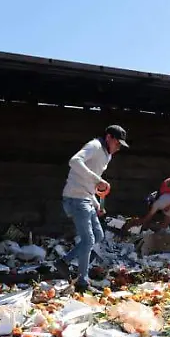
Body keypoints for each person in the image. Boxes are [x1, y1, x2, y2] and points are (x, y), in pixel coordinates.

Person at [56, 125, 127, 292]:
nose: (118, 147)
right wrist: (98, 180)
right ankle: (82, 282)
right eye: (117, 143)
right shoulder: (94, 146)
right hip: (75, 198)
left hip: (86, 199)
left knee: (98, 235)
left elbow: (89, 184)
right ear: (108, 137)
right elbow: (74, 161)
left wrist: (97, 204)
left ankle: (64, 262)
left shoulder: (107, 155)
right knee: (88, 240)